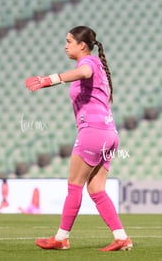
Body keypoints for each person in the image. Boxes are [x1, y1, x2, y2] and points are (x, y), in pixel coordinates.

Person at [24, 26, 132, 251]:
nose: (65, 45)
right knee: (96, 190)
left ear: (82, 45)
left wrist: (50, 79)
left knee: (74, 186)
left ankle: (62, 238)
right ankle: (121, 237)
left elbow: (83, 74)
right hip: (109, 133)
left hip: (92, 132)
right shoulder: (99, 65)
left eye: (69, 41)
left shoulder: (89, 64)